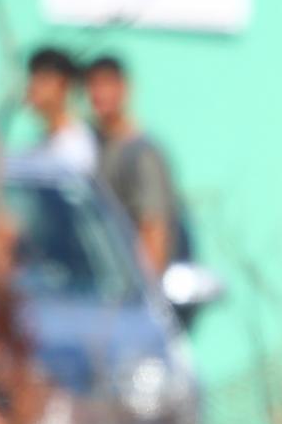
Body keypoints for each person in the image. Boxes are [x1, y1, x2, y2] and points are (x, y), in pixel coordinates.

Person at [84, 54, 187, 276]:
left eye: (107, 84)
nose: (99, 94)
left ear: (124, 88)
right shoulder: (89, 144)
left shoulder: (142, 154)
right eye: (93, 85)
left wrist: (141, 301)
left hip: (125, 290)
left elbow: (154, 231)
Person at [25, 47, 98, 175]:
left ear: (64, 85)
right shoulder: (45, 140)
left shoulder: (74, 145)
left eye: (43, 80)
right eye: (33, 78)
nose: (33, 87)